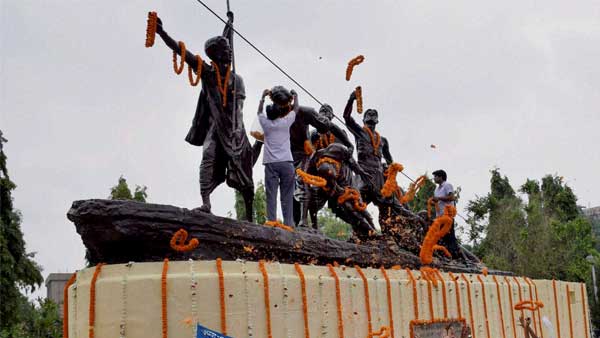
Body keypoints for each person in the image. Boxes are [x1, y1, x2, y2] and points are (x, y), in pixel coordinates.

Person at [155, 12, 257, 221]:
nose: (230, 53)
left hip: (236, 130)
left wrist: (229, 24)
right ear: (216, 55)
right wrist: (162, 33)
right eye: (226, 51)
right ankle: (206, 203)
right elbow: (182, 52)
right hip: (216, 128)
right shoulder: (208, 73)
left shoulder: (237, 79)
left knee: (245, 174)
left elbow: (226, 39)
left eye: (229, 50)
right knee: (208, 159)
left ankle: (249, 215)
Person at [257, 86, 299, 226]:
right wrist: (295, 96)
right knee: (287, 195)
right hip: (287, 163)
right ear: (280, 113)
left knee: (271, 194)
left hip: (271, 164)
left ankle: (271, 220)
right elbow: (296, 110)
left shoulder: (265, 124)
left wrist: (262, 98)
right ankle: (288, 223)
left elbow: (259, 112)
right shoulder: (285, 122)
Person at [343, 91, 393, 206]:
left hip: (379, 177)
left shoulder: (383, 140)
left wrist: (391, 172)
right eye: (368, 114)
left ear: (377, 120)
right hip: (363, 174)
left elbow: (390, 162)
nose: (371, 115)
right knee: (354, 203)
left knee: (390, 204)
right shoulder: (360, 132)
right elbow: (346, 117)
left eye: (374, 114)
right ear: (363, 120)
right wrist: (351, 100)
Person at [431, 169, 460, 257]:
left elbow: (451, 197)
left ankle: (454, 255)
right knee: (443, 237)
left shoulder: (447, 185)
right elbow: (439, 202)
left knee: (450, 236)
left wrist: (438, 198)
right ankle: (446, 254)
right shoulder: (436, 189)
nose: (434, 178)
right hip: (439, 217)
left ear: (441, 177)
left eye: (435, 176)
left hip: (447, 216)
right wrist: (433, 202)